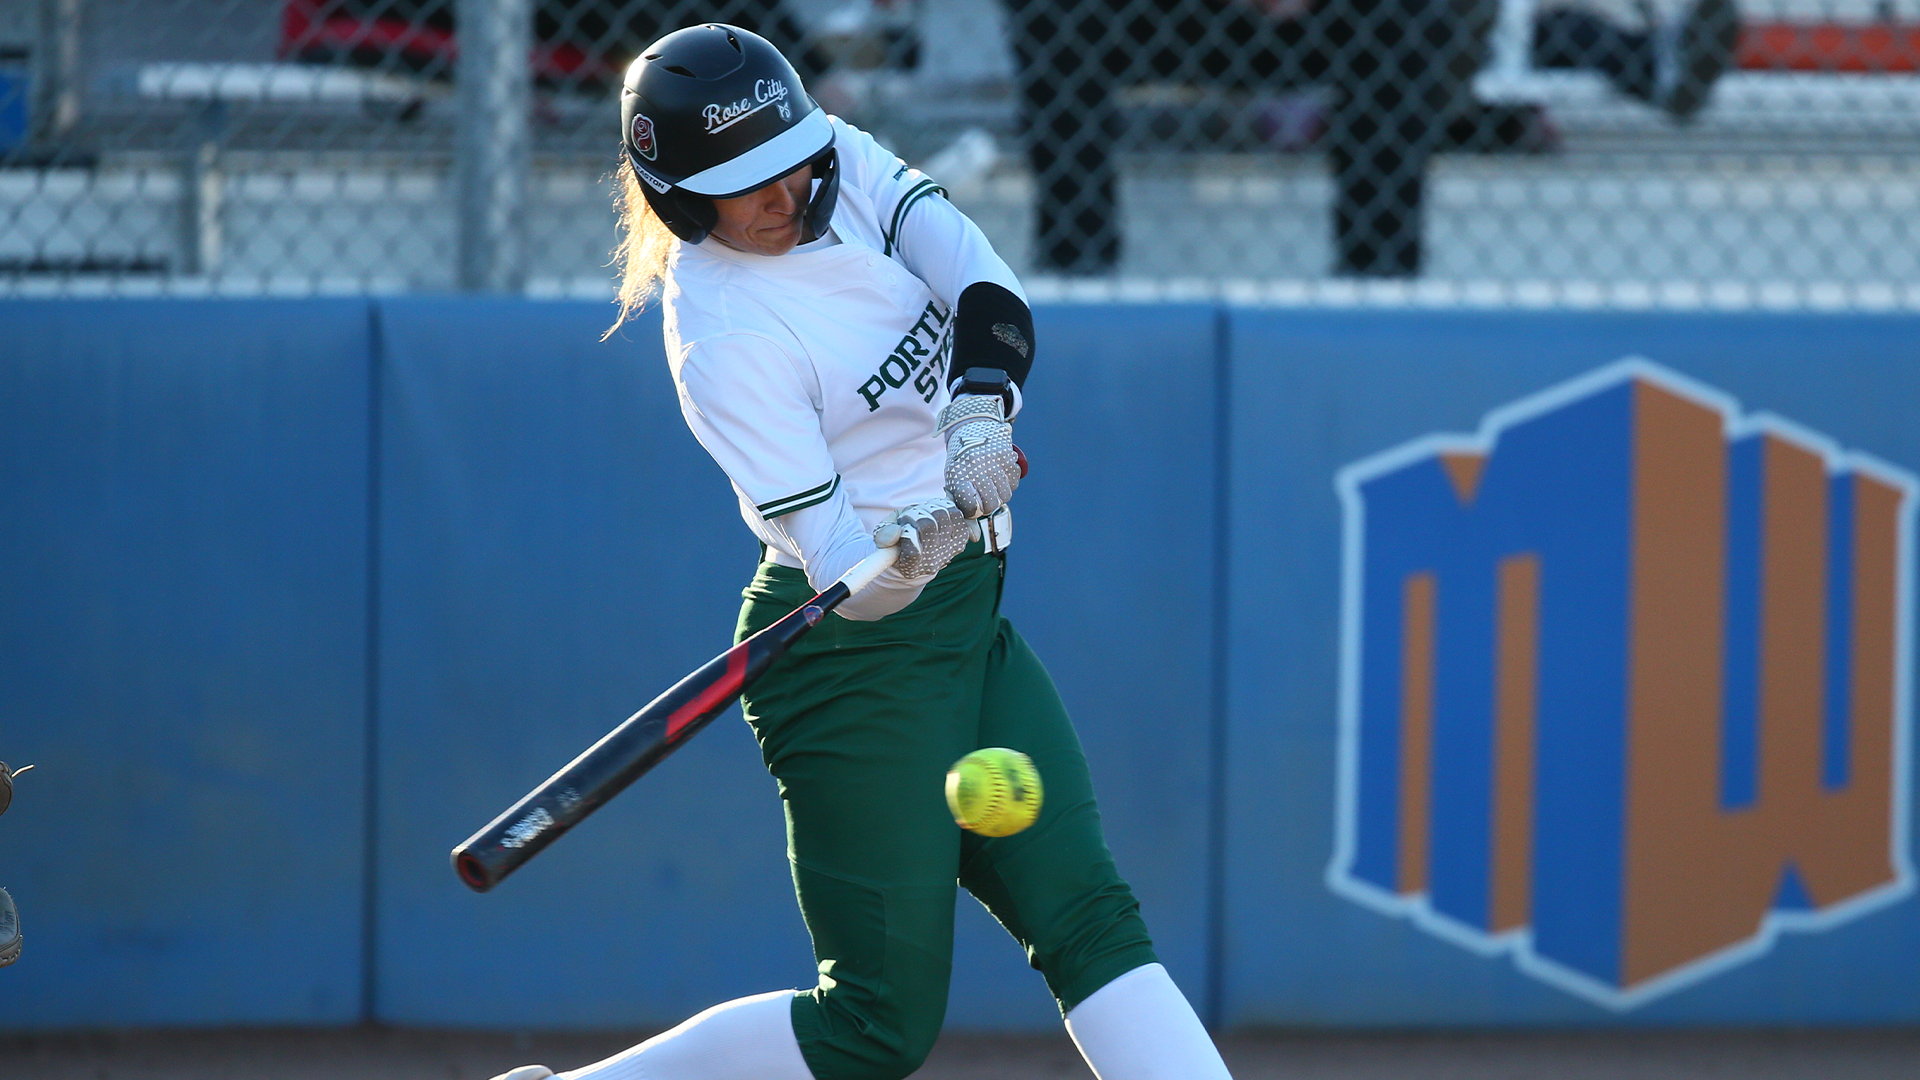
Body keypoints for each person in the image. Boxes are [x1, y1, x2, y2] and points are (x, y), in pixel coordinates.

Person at [486, 23, 1232, 1080]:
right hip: (853, 664)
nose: (782, 193)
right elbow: (845, 570)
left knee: (1091, 917)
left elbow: (985, 284)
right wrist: (916, 544)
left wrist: (979, 411)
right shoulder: (724, 341)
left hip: (966, 621)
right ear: (679, 199)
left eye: (788, 163)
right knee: (874, 1026)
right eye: (743, 186)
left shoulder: (834, 155)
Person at [1006, 0, 1737, 276]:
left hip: (1349, 22)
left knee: (1418, 23)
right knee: (1049, 14)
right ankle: (1077, 267)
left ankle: (1377, 278)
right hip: (1181, 20)